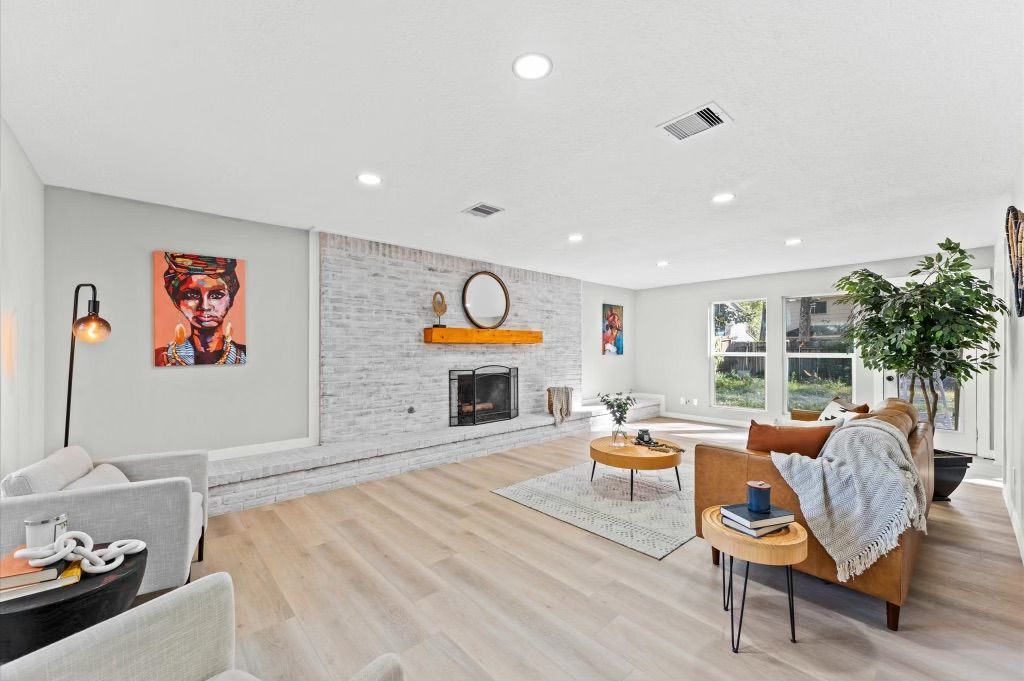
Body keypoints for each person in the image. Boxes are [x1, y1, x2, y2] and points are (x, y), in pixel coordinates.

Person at [155, 252, 246, 366]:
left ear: (231, 300)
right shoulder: (159, 358)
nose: (205, 306)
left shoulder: (245, 356)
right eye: (191, 295)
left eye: (216, 295)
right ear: (177, 302)